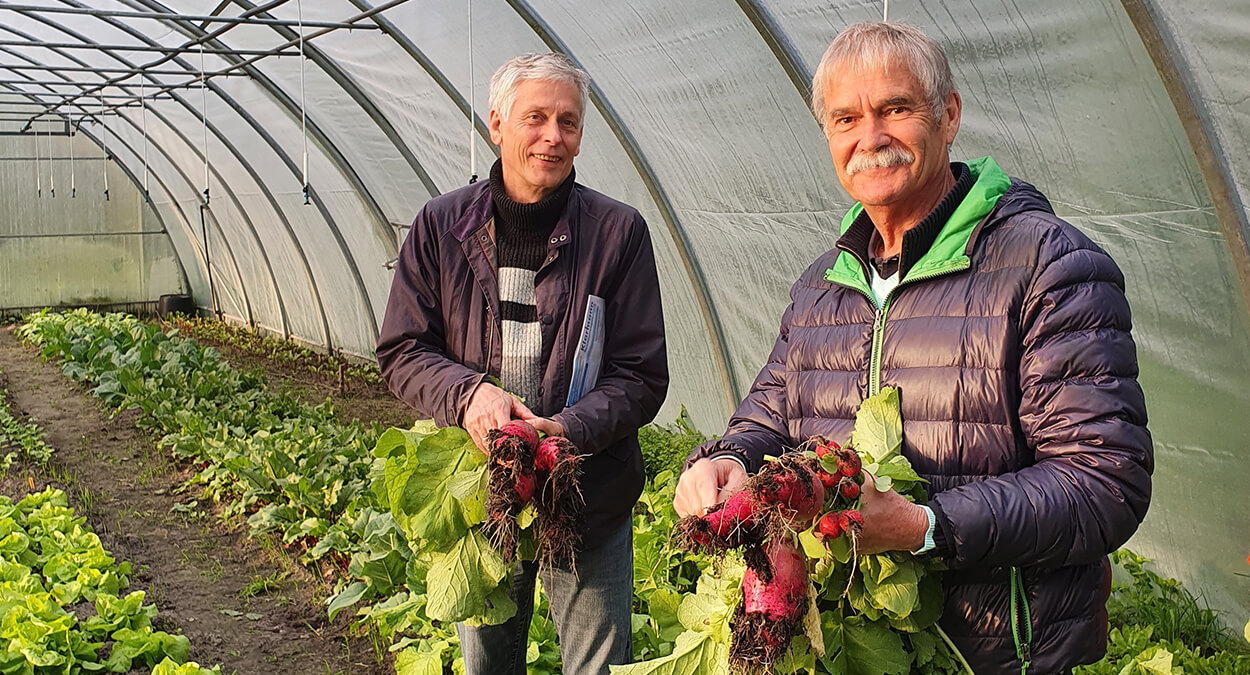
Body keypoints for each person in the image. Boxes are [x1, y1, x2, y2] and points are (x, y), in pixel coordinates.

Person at [673, 22, 1152, 675]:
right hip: (852, 637)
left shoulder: (1047, 265)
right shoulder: (822, 286)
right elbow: (768, 414)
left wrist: (927, 525)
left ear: (947, 115)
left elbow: (1102, 482)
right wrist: (725, 458)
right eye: (846, 118)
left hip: (997, 653)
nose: (870, 138)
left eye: (894, 109)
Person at [376, 52, 668, 675]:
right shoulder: (440, 226)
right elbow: (402, 348)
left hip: (588, 490)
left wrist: (565, 433)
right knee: (489, 662)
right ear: (497, 124)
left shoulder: (618, 233)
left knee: (597, 664)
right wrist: (468, 396)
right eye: (535, 117)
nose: (552, 136)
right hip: (486, 490)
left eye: (568, 121)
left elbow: (641, 374)